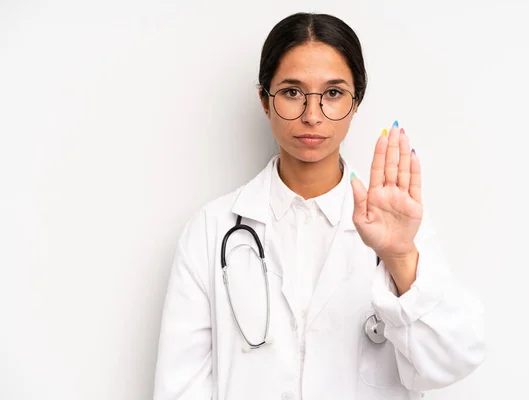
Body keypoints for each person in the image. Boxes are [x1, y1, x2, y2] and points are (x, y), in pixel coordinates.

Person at [153, 12, 485, 400]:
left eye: (333, 93)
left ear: (356, 101)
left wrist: (400, 258)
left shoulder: (399, 230)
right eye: (293, 92)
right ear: (265, 99)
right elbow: (180, 388)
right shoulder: (211, 230)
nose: (312, 116)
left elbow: (454, 359)